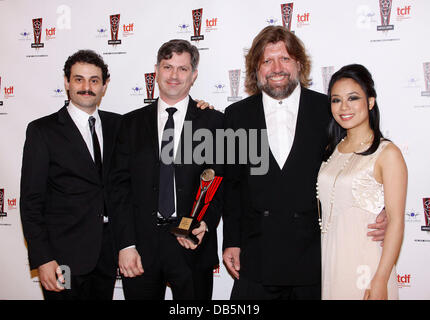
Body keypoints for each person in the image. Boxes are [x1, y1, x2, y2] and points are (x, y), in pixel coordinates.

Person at [222, 26, 387, 300]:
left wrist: (381, 210)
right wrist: (231, 242)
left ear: (299, 63)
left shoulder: (329, 109)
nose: (277, 68)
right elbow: (232, 186)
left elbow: (362, 159)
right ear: (256, 69)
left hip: (315, 256)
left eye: (285, 59)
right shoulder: (236, 115)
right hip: (258, 254)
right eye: (267, 61)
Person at [110, 39, 224, 300]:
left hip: (191, 242)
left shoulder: (214, 122)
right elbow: (119, 189)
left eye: (183, 69)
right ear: (156, 71)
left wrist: (204, 222)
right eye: (167, 67)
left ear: (194, 75)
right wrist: (126, 244)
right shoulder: (129, 124)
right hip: (140, 247)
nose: (174, 75)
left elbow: (221, 182)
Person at [20, 50, 122, 300]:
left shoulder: (118, 125)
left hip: (106, 255)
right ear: (66, 82)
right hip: (61, 258)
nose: (86, 87)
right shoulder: (42, 131)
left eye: (94, 80)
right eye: (79, 79)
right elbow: (31, 202)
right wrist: (43, 258)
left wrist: (202, 109)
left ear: (104, 85)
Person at [317, 64, 406, 300]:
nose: (343, 107)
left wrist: (381, 279)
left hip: (366, 269)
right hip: (332, 264)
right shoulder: (332, 150)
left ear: (370, 102)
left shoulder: (388, 153)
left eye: (353, 98)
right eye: (336, 100)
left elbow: (396, 221)